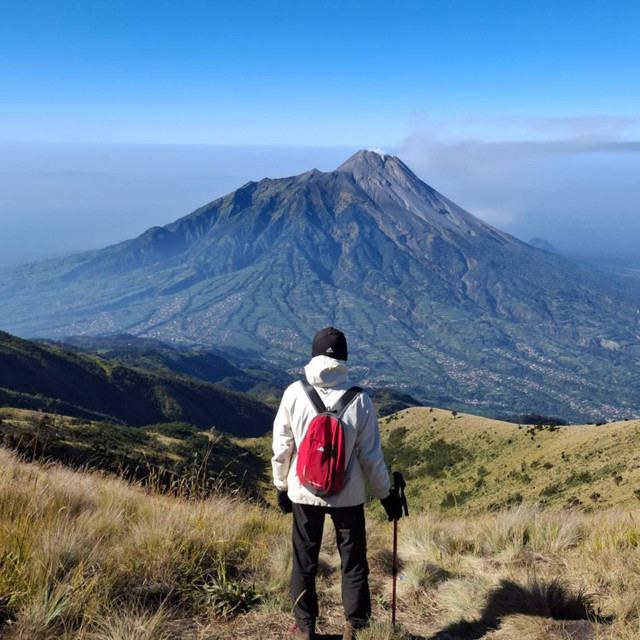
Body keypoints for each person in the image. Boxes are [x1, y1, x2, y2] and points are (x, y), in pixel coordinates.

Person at [272, 327, 403, 640]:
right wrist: (385, 496)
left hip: (303, 491)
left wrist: (281, 486)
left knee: (305, 560)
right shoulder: (359, 400)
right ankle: (354, 628)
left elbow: (282, 446)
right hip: (349, 495)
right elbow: (371, 457)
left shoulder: (294, 393)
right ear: (344, 358)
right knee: (353, 562)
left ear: (313, 355)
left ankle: (304, 629)